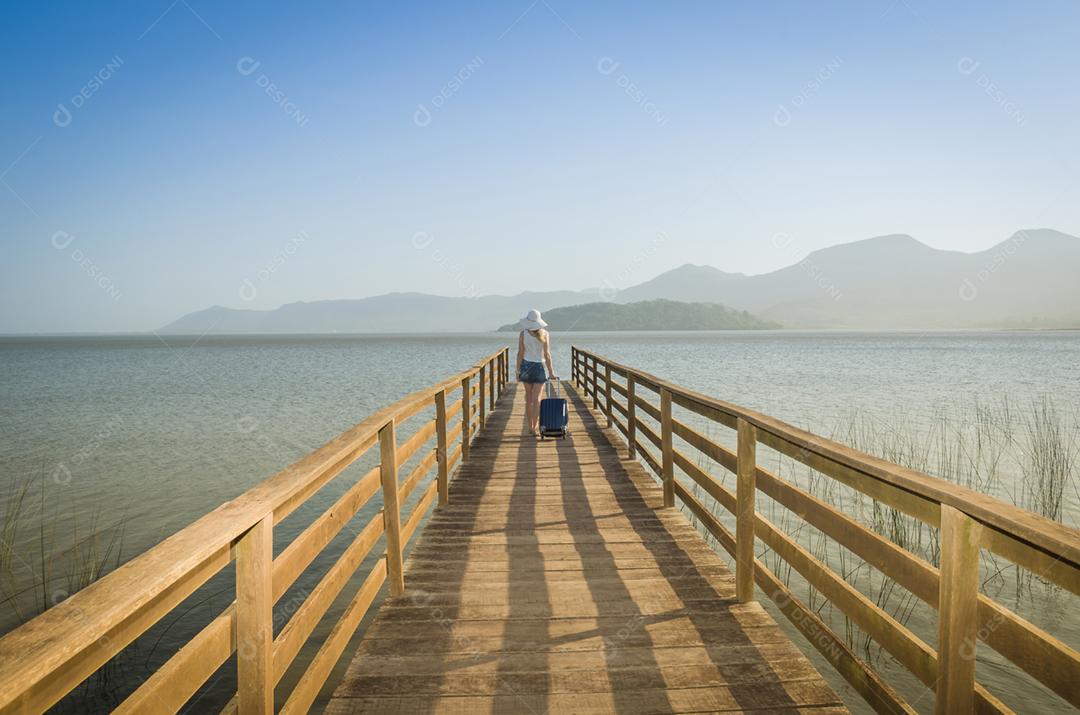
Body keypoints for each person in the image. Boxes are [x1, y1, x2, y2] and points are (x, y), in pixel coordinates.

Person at [515, 309, 557, 436]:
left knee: (528, 399)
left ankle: (530, 427)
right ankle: (537, 425)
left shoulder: (523, 334)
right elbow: (547, 355)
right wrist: (551, 372)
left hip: (526, 366)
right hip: (539, 366)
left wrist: (517, 371)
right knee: (537, 399)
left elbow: (520, 353)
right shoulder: (545, 334)